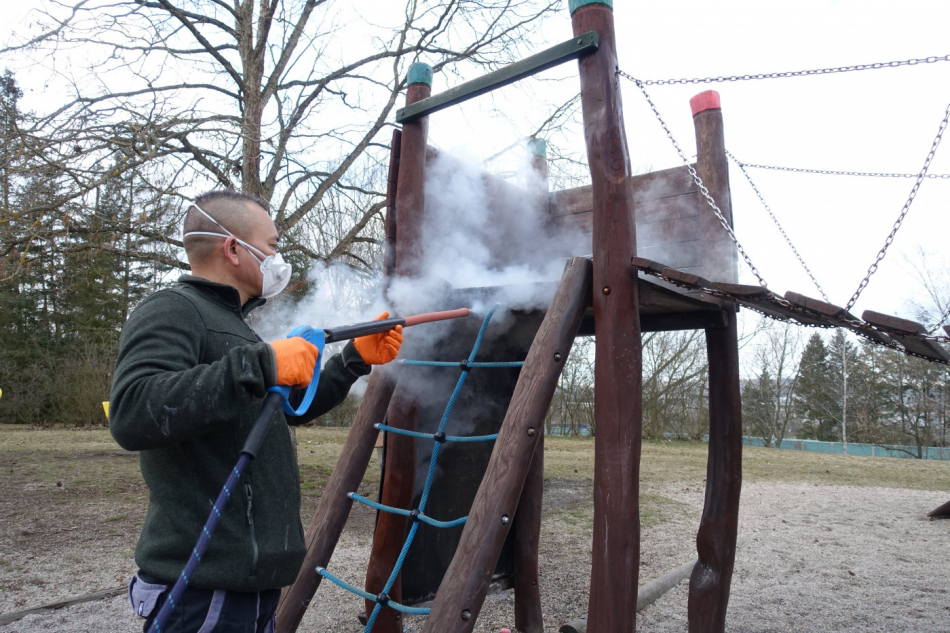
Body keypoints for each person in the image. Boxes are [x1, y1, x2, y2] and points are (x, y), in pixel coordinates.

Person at [110, 190, 403, 632]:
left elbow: (282, 410)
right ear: (233, 248)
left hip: (245, 581)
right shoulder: (174, 309)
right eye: (271, 246)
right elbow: (133, 412)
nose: (277, 258)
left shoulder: (234, 325)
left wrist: (352, 360)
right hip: (204, 587)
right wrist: (260, 363)